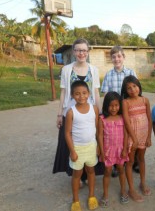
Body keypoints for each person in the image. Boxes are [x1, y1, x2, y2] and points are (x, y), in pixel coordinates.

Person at [53, 38, 103, 184]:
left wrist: (98, 113)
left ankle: (88, 174)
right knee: (71, 142)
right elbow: (63, 93)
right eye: (79, 50)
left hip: (89, 113)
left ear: (88, 52)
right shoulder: (66, 70)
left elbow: (96, 92)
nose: (82, 53)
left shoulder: (94, 70)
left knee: (90, 141)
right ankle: (76, 175)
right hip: (71, 112)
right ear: (74, 52)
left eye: (84, 50)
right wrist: (59, 114)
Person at [100, 45, 138, 177]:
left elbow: (136, 91)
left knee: (131, 134)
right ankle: (116, 164)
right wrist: (105, 111)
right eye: (114, 57)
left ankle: (133, 161)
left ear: (124, 57)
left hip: (129, 110)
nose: (117, 59)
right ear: (111, 59)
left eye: (119, 56)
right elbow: (105, 94)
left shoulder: (131, 73)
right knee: (117, 137)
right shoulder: (108, 75)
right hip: (114, 111)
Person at [65, 81, 99, 211]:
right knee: (77, 174)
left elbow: (96, 128)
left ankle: (91, 196)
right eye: (77, 94)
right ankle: (76, 200)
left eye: (84, 93)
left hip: (91, 147)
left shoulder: (94, 109)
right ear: (72, 95)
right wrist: (72, 151)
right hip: (77, 149)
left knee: (91, 171)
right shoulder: (71, 112)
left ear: (89, 94)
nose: (81, 96)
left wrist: (98, 146)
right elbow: (67, 133)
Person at [121, 75, 152, 202]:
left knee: (141, 159)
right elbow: (127, 122)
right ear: (125, 90)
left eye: (134, 86)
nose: (132, 89)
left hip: (144, 134)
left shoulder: (145, 100)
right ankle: (131, 189)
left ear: (139, 86)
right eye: (129, 88)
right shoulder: (125, 102)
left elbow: (149, 119)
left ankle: (142, 182)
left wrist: (149, 136)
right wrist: (133, 139)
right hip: (132, 136)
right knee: (130, 161)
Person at [98, 92, 129, 208]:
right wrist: (101, 150)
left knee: (121, 170)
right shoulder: (102, 119)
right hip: (108, 150)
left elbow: (126, 134)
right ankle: (105, 195)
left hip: (120, 150)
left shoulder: (122, 118)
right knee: (107, 172)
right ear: (106, 105)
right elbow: (100, 136)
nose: (114, 108)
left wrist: (125, 149)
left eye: (116, 105)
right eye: (111, 105)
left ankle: (123, 191)